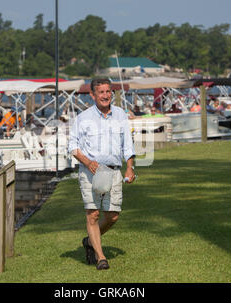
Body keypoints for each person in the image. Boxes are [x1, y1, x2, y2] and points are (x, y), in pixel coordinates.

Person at [68, 78, 136, 270]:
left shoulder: (121, 115)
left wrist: (130, 167)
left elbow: (127, 144)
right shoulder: (83, 118)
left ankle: (90, 241)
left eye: (108, 92)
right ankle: (101, 257)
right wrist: (88, 162)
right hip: (90, 172)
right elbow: (72, 146)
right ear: (93, 95)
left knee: (113, 215)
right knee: (93, 214)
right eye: (101, 92)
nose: (106, 96)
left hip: (113, 171)